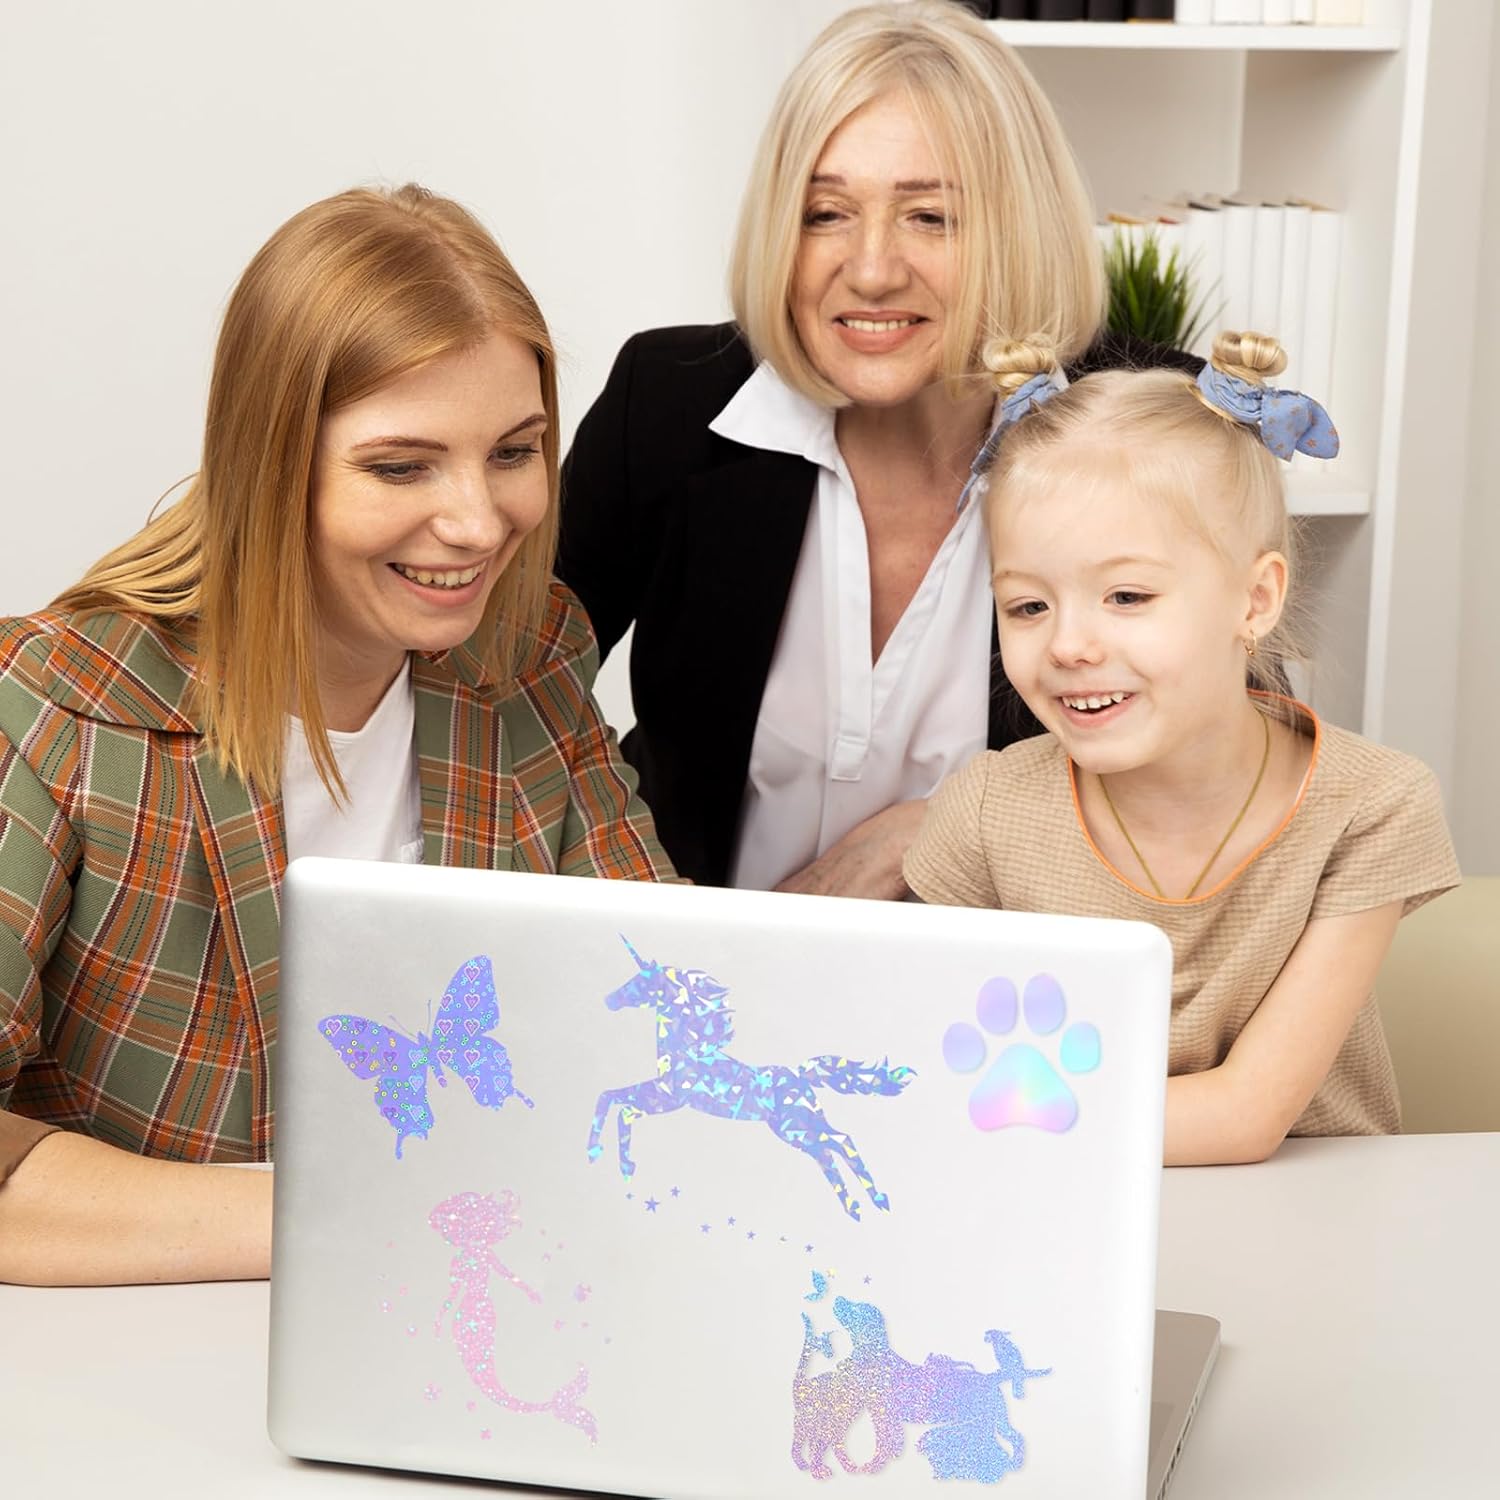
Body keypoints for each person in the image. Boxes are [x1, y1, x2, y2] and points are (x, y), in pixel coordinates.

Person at [0, 185, 676, 1286]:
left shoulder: (531, 659)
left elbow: (666, 1002)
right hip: (143, 1353)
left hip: (458, 1318)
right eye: (401, 466)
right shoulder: (53, 707)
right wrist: (363, 1218)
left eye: (514, 452)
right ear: (270, 463)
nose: (478, 522)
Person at [557, 0, 1199, 896]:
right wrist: (620, 883)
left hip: (1017, 975)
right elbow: (504, 686)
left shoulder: (1144, 425)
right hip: (696, 965)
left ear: (1018, 227)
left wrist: (953, 820)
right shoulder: (669, 403)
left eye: (929, 217)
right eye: (825, 213)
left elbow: (1238, 752)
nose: (869, 270)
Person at [903, 330, 1461, 1165]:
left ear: (1255, 599)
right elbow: (926, 1072)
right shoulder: (984, 813)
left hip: (1315, 1215)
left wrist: (1001, 1117)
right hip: (1058, 1210)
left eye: (1127, 596)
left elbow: (1243, 1118)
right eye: (1027, 607)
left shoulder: (1371, 805)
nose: (1069, 646)